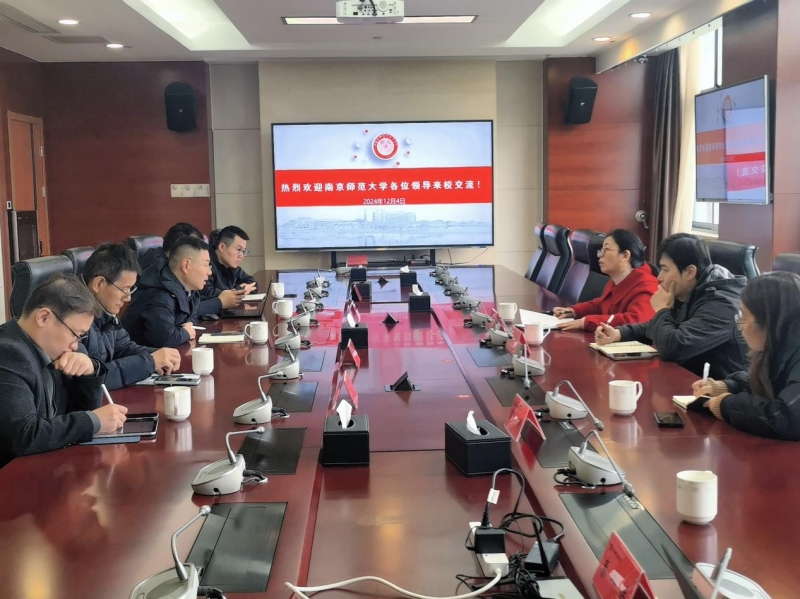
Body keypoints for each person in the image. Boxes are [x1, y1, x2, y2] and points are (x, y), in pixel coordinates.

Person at [0, 273, 128, 468]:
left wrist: (89, 371)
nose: (75, 346)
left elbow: (77, 411)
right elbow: (23, 436)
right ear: (44, 317)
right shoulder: (8, 353)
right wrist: (91, 421)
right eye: (76, 334)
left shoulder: (49, 348)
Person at [595, 233, 748, 379]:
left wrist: (662, 310)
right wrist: (619, 333)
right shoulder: (691, 290)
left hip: (719, 390)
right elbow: (655, 327)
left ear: (689, 272)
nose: (659, 277)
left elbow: (673, 348)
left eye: (665, 269)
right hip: (688, 381)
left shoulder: (721, 303)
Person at [692, 272, 800, 440]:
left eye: (743, 317)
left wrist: (726, 405)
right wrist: (727, 387)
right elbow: (767, 382)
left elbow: (785, 417)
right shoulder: (781, 345)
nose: (740, 325)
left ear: (768, 321)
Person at [81, 243, 182, 390]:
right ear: (99, 284)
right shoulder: (72, 316)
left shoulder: (105, 310)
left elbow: (123, 347)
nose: (128, 298)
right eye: (124, 289)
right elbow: (91, 379)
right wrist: (150, 362)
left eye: (130, 289)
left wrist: (158, 355)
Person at [554, 229, 659, 332]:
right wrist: (574, 311)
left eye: (606, 250)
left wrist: (586, 322)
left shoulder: (647, 286)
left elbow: (635, 321)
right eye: (601, 250)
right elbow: (601, 304)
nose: (600, 255)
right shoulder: (618, 279)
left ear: (625, 255)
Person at [121, 236, 212, 347]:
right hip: (141, 354)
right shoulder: (159, 294)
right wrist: (186, 333)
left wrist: (187, 326)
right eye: (206, 265)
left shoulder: (188, 289)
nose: (209, 272)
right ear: (186, 265)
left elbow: (192, 315)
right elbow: (164, 338)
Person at [139, 222, 243, 316]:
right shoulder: (157, 271)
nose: (209, 271)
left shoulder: (172, 267)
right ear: (181, 247)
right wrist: (219, 302)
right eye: (195, 246)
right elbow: (180, 310)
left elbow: (194, 298)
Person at [206, 225, 258, 297]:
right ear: (222, 247)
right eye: (239, 249)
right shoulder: (206, 264)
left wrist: (241, 289)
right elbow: (207, 294)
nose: (241, 256)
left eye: (243, 251)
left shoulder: (231, 266)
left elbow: (253, 283)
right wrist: (238, 290)